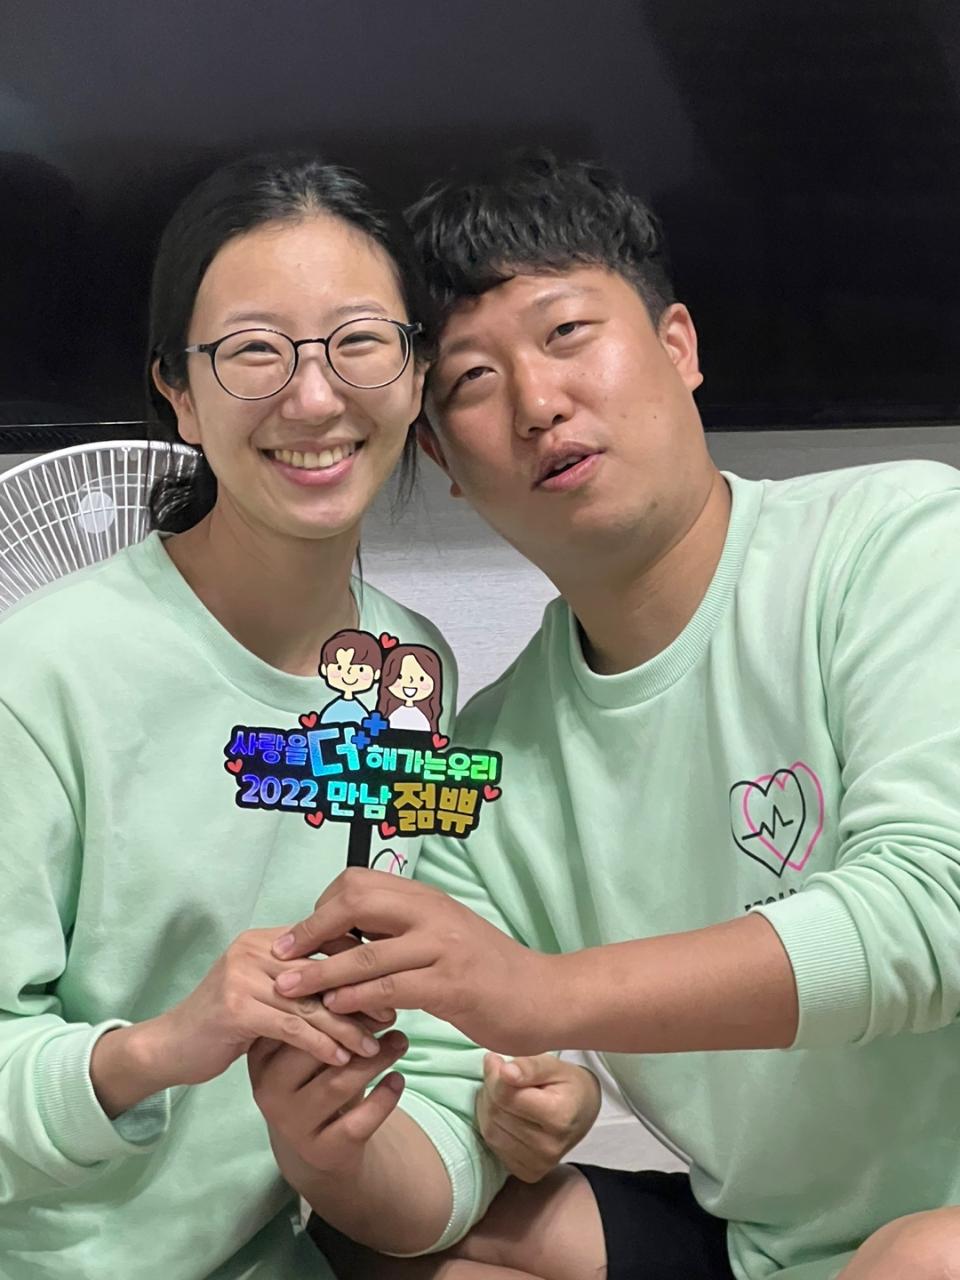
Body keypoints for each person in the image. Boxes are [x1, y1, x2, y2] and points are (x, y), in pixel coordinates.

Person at [261, 153, 960, 1279]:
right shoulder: (486, 756)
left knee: (924, 1256)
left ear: (678, 345)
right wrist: (332, 1148)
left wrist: (543, 992)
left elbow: (936, 912)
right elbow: (436, 1135)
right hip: (774, 1240)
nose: (538, 403)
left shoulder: (899, 539)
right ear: (439, 455)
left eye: (568, 332)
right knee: (377, 1247)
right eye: (473, 380)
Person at [0, 151, 599, 1280]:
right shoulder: (42, 676)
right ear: (178, 392)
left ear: (414, 376)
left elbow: (414, 1006)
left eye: (359, 341)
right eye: (253, 351)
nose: (314, 397)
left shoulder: (408, 670)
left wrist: (501, 1106)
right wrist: (156, 1050)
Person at [319, 627, 382, 725]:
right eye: (339, 667)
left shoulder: (361, 711)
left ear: (376, 674)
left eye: (361, 669)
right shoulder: (332, 711)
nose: (349, 674)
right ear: (324, 669)